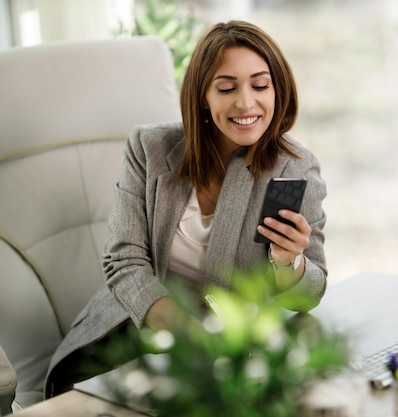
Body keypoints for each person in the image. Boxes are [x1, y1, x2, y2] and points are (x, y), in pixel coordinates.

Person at [44, 20, 328, 398]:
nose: (246, 102)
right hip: (131, 336)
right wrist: (193, 340)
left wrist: (289, 262)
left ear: (278, 90)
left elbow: (308, 296)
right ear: (202, 97)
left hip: (231, 355)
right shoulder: (150, 147)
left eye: (260, 85)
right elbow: (124, 261)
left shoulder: (295, 167)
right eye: (227, 88)